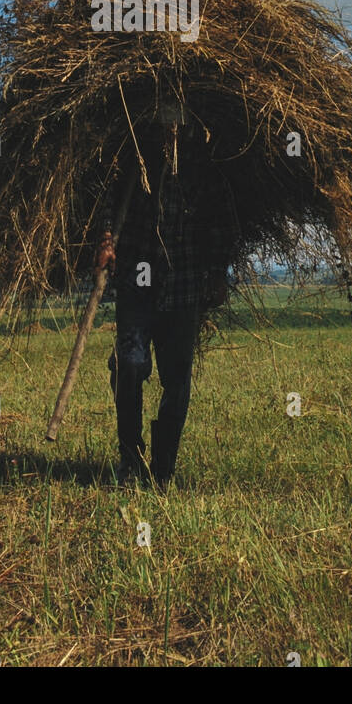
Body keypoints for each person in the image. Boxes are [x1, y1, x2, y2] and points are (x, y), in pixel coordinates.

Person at [94, 98, 233, 487]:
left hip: (185, 284)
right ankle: (130, 459)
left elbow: (222, 222)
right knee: (130, 366)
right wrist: (106, 239)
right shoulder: (135, 158)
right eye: (164, 125)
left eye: (178, 126)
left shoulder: (204, 168)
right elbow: (107, 199)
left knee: (177, 381)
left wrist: (218, 274)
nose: (171, 132)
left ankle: (163, 468)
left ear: (188, 126)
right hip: (138, 281)